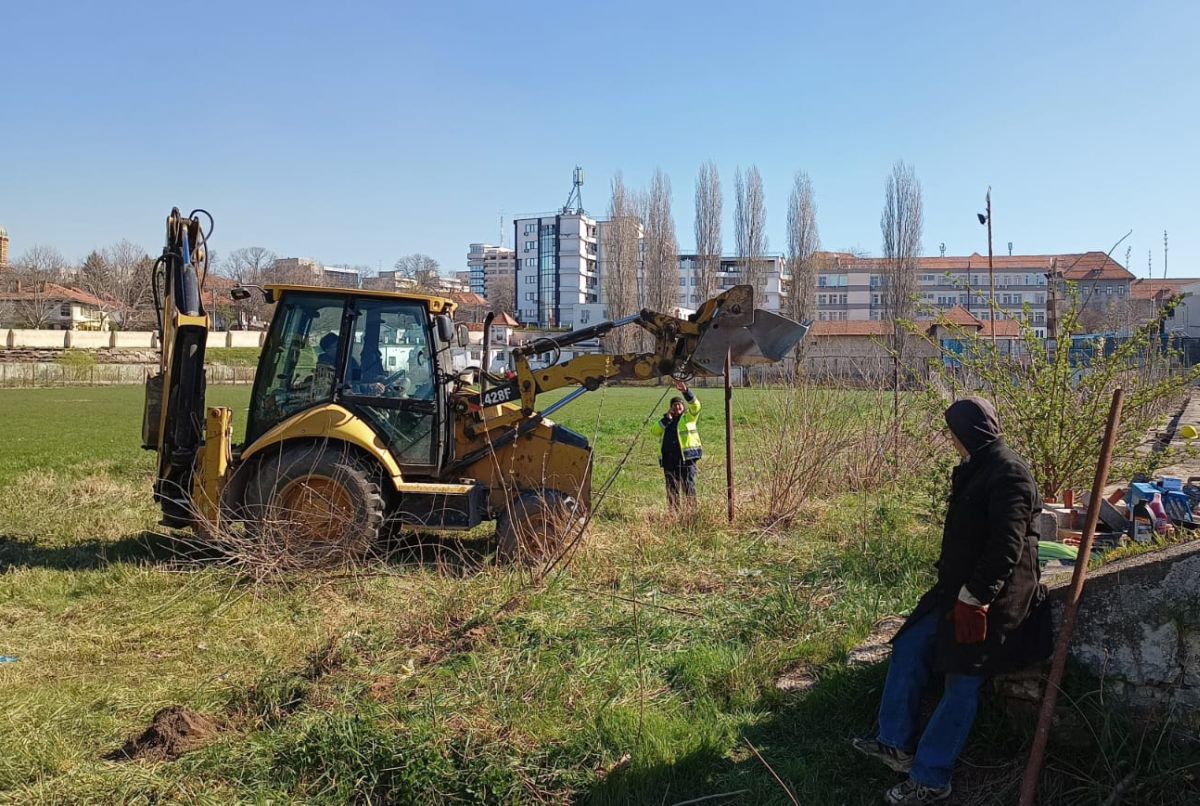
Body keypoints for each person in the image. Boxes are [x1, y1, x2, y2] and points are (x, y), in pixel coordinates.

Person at [852, 397, 1051, 805]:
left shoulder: (1009, 472)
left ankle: (931, 778)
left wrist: (975, 599)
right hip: (955, 591)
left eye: (952, 432)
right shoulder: (978, 464)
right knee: (908, 645)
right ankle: (895, 743)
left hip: (994, 598)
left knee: (962, 679)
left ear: (967, 432)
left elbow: (1006, 548)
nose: (950, 440)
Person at [651, 380, 703, 511]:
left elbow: (696, 406)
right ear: (670, 408)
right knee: (672, 488)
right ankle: (674, 514)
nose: (677, 407)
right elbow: (654, 431)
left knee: (688, 487)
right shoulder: (666, 421)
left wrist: (686, 391)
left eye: (679, 405)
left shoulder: (689, 418)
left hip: (686, 458)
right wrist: (666, 419)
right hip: (669, 460)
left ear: (683, 407)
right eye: (674, 405)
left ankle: (691, 513)